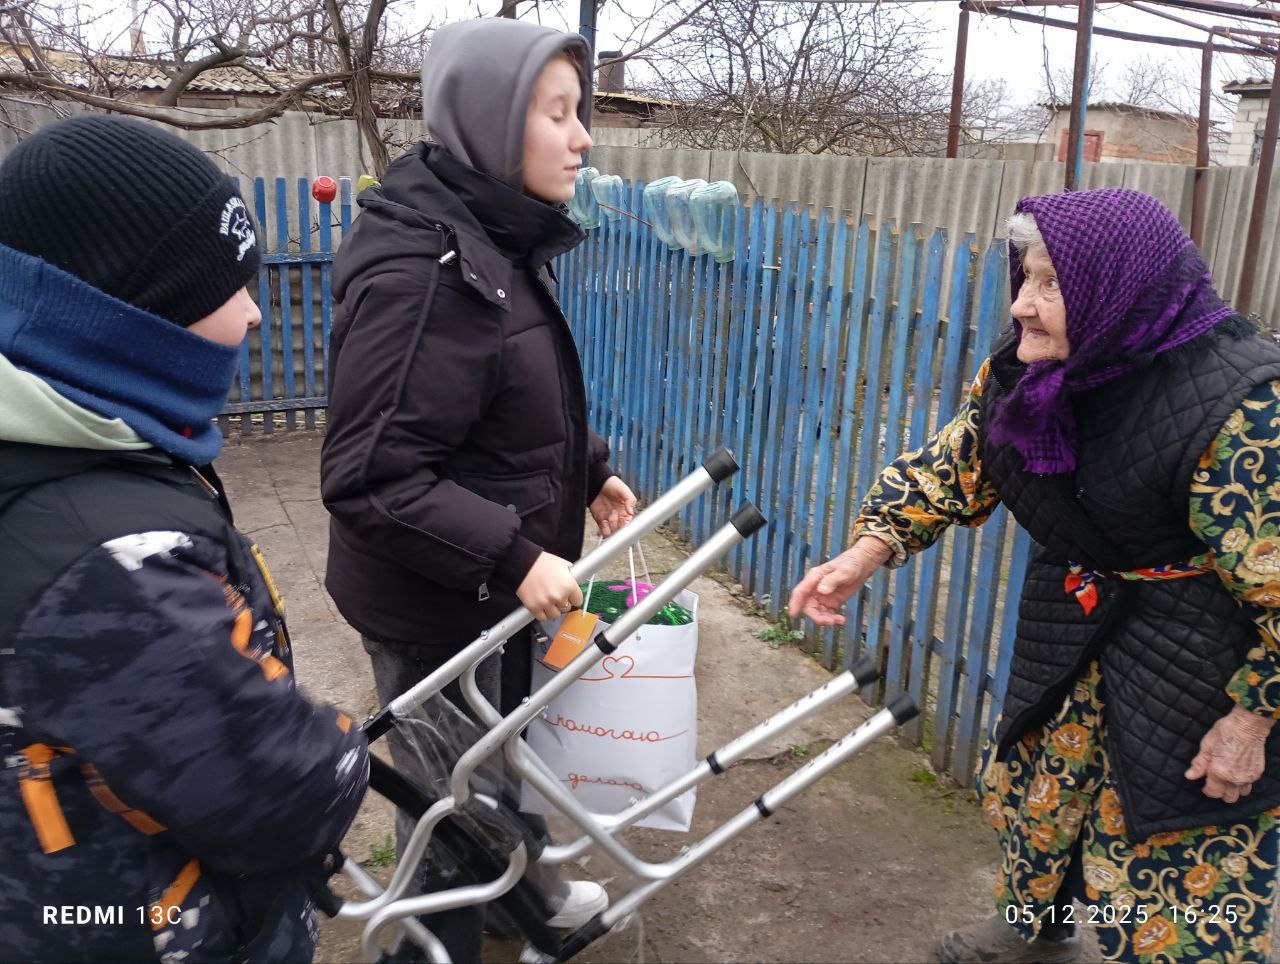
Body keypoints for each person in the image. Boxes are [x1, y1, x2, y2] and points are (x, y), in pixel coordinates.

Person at [790, 188, 1280, 963]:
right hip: (1078, 618)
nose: (1022, 304)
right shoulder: (1034, 379)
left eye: (1053, 285)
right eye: (1023, 277)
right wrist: (866, 550)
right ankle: (1034, 934)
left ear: (1119, 288)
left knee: (1175, 849)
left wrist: (1252, 721)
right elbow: (958, 463)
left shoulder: (1243, 406)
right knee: (1040, 795)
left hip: (1201, 657)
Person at [0, 115, 369, 962]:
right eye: (222, 285)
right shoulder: (100, 555)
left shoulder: (75, 447)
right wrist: (335, 744)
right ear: (128, 311)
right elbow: (286, 790)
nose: (253, 313)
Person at [320, 17, 637, 963]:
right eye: (558, 115)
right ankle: (430, 947)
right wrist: (514, 550)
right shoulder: (427, 271)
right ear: (493, 125)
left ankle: (516, 904)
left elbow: (508, 401)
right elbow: (369, 474)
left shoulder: (492, 240)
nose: (582, 137)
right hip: (433, 600)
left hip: (484, 590)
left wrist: (592, 469)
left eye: (580, 113)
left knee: (491, 766)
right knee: (452, 804)